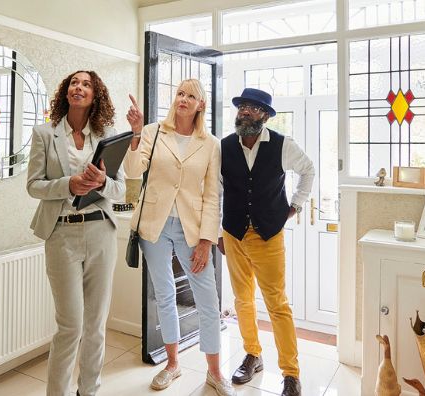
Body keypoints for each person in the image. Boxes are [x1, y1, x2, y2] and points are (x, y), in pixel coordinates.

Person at [123, 79, 234, 396]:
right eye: (179, 93)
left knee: (208, 301)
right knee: (165, 294)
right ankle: (172, 365)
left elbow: (213, 196)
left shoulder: (210, 144)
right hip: (154, 226)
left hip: (192, 229)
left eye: (191, 96)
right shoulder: (153, 132)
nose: (183, 99)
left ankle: (214, 371)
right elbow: (133, 172)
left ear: (201, 105)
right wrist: (135, 131)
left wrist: (206, 240)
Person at [26, 70, 126, 396]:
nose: (78, 87)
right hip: (61, 234)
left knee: (96, 326)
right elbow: (34, 186)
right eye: (73, 83)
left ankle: (89, 391)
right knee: (70, 326)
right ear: (65, 93)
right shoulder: (44, 134)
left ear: (95, 95)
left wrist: (101, 183)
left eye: (86, 84)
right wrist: (68, 184)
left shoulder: (108, 135)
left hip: (101, 232)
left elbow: (121, 190)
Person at [217, 88, 315, 396]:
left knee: (277, 305)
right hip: (233, 234)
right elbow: (216, 190)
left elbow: (308, 171)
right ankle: (253, 355)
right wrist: (218, 231)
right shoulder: (224, 146)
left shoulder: (283, 145)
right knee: (242, 300)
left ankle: (290, 373)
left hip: (268, 235)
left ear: (266, 116)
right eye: (242, 106)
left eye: (254, 108)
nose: (245, 111)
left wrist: (295, 206)